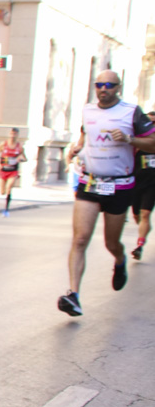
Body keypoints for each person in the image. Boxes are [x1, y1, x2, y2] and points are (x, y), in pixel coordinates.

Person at [58, 71, 155, 316]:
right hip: (90, 182)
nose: (104, 89)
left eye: (109, 85)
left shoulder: (132, 112)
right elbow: (84, 138)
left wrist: (130, 139)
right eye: (100, 84)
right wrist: (77, 149)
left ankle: (120, 260)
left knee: (111, 242)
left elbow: (152, 142)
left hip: (119, 185)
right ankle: (73, 295)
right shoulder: (88, 111)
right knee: (80, 239)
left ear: (118, 87)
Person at [129, 110, 155, 260]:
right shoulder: (137, 141)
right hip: (137, 182)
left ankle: (139, 245)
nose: (152, 126)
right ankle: (143, 232)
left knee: (145, 214)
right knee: (137, 215)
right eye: (149, 123)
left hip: (152, 184)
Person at [0, 127, 27, 216]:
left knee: (9, 188)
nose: (13, 136)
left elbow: (25, 158)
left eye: (15, 134)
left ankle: (6, 209)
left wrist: (20, 159)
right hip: (4, 170)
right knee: (2, 191)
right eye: (11, 133)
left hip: (13, 170)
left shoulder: (19, 147)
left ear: (17, 135)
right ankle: (5, 204)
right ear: (9, 134)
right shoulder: (3, 144)